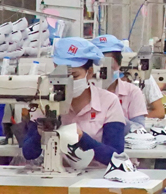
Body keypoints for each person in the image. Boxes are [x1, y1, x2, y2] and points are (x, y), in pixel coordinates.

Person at [55, 37, 128, 166]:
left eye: (74, 76)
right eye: (60, 76)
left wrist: (82, 138)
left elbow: (116, 156)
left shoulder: (108, 102)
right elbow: (29, 153)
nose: (67, 82)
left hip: (97, 178)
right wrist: (40, 132)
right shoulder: (46, 99)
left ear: (89, 72)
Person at [92, 34, 162, 128]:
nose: (104, 73)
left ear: (119, 65)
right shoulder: (84, 94)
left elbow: (139, 129)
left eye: (109, 67)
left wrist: (115, 118)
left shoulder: (132, 92)